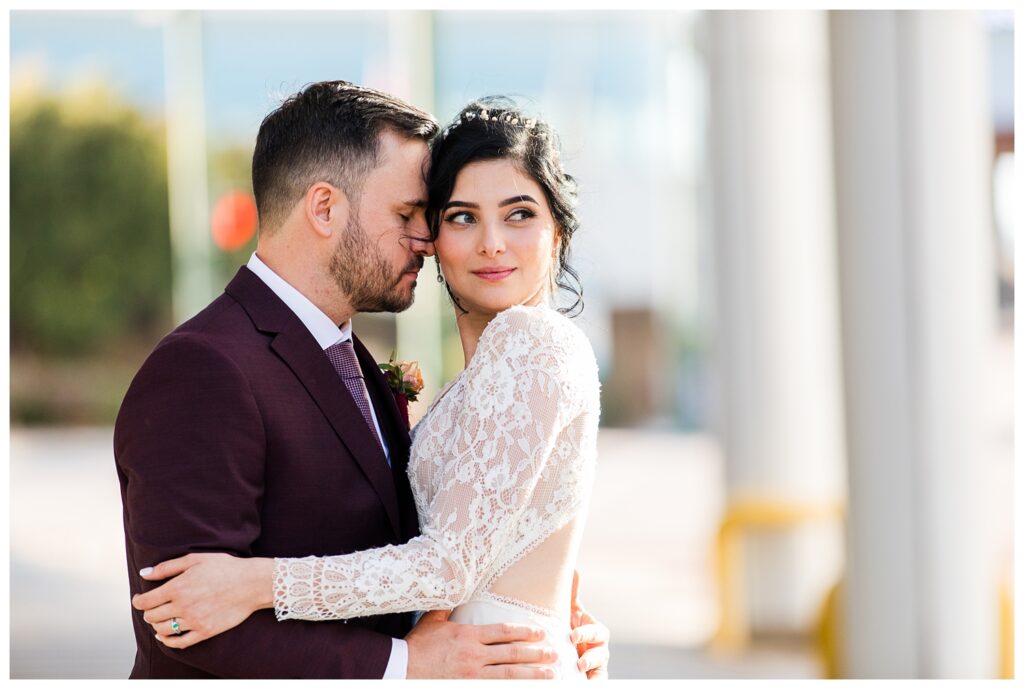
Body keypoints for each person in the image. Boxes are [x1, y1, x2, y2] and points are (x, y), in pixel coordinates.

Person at [115, 82, 607, 679]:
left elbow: (444, 548)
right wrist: (403, 662)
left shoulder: (363, 365)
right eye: (411, 215)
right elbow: (181, 626)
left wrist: (546, 612)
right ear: (324, 209)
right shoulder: (203, 368)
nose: (425, 241)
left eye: (519, 213)